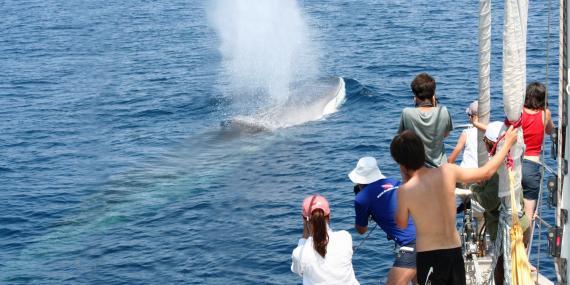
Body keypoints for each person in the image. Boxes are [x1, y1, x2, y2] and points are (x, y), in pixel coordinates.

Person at [391, 127, 517, 285]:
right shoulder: (448, 171)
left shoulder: (404, 191)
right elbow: (486, 172)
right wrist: (507, 144)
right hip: (454, 253)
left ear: (401, 163)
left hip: (429, 256)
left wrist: (405, 179)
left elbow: (401, 223)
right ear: (422, 153)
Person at [470, 121, 531, 285]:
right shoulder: (511, 161)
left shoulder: (497, 171)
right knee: (517, 268)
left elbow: (490, 202)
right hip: (522, 224)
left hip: (505, 230)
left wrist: (474, 189)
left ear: (490, 144)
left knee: (502, 270)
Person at [348, 157, 417, 285]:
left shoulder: (361, 198)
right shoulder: (395, 183)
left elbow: (362, 230)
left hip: (411, 243)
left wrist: (367, 213)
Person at [291, 194, 359, 285]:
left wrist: (303, 238)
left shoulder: (299, 253)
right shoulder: (345, 237)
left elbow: (297, 270)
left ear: (304, 220)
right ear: (329, 216)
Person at [397, 73, 453, 167]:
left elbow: (402, 138)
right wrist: (435, 105)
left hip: (418, 170)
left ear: (415, 96)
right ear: (433, 94)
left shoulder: (407, 113)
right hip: (440, 170)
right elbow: (445, 135)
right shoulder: (444, 111)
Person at [520, 82, 554, 223]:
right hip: (531, 166)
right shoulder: (545, 114)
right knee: (528, 216)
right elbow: (550, 130)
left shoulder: (519, 112)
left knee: (510, 210)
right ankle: (523, 244)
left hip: (515, 164)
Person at [448, 100, 483, 168]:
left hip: (467, 173)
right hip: (485, 172)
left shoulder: (466, 133)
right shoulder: (491, 130)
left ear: (471, 116)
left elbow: (451, 160)